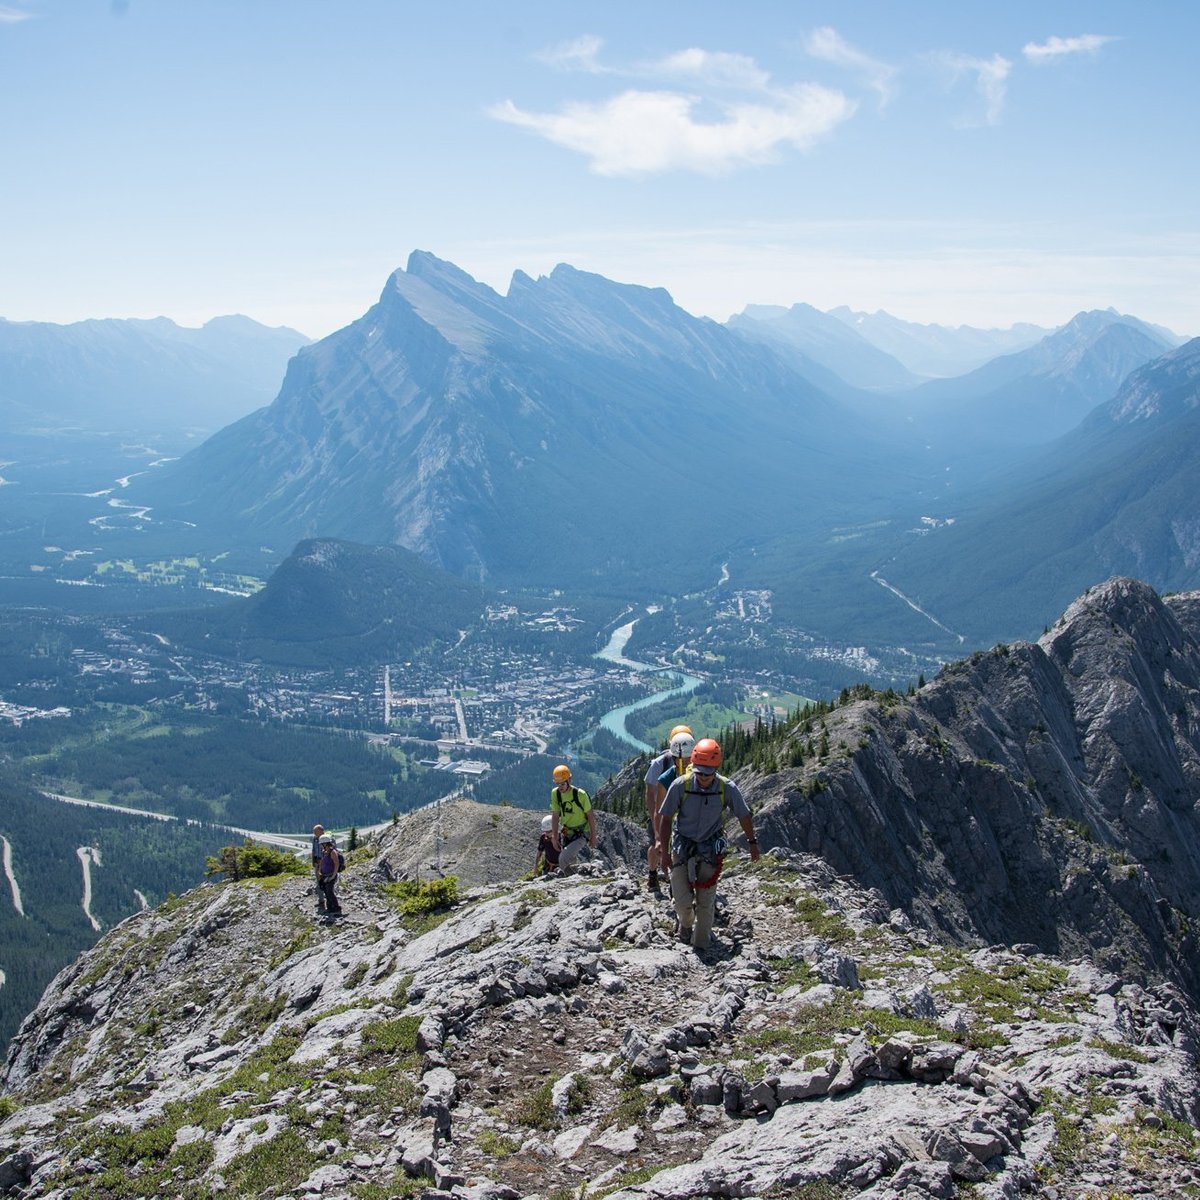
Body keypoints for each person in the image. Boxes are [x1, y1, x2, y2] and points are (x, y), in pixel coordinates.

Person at [656, 737, 760, 950]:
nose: (703, 777)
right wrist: (664, 852)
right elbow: (666, 818)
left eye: (708, 773)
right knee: (682, 899)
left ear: (716, 769)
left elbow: (744, 815)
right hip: (682, 845)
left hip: (710, 848)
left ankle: (701, 946)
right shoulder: (680, 785)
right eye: (700, 772)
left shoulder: (726, 788)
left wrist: (752, 842)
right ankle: (685, 923)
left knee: (706, 899)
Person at [642, 725, 693, 892]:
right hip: (660, 809)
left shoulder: (694, 762)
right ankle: (652, 873)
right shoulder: (660, 764)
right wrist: (655, 822)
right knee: (656, 845)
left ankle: (677, 881)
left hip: (683, 811)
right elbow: (650, 793)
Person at [550, 764, 596, 872]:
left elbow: (590, 815)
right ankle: (576, 879)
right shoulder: (555, 794)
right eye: (558, 784)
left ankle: (567, 881)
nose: (560, 787)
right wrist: (554, 836)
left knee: (563, 858)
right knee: (571, 860)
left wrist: (593, 836)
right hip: (567, 832)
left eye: (562, 784)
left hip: (582, 832)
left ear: (569, 780)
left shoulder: (580, 794)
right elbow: (555, 815)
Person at [316, 833, 342, 915]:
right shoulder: (324, 852)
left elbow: (336, 864)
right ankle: (330, 908)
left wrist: (333, 876)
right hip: (324, 875)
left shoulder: (332, 852)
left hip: (331, 875)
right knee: (326, 891)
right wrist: (320, 872)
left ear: (325, 844)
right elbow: (322, 863)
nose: (320, 846)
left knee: (329, 891)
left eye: (321, 844)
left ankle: (336, 908)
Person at [310, 824, 325, 891]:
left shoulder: (327, 838)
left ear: (321, 831)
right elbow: (313, 850)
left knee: (325, 876)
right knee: (318, 877)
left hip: (325, 861)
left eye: (315, 831)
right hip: (317, 860)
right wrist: (313, 861)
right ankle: (321, 896)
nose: (314, 833)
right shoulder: (314, 839)